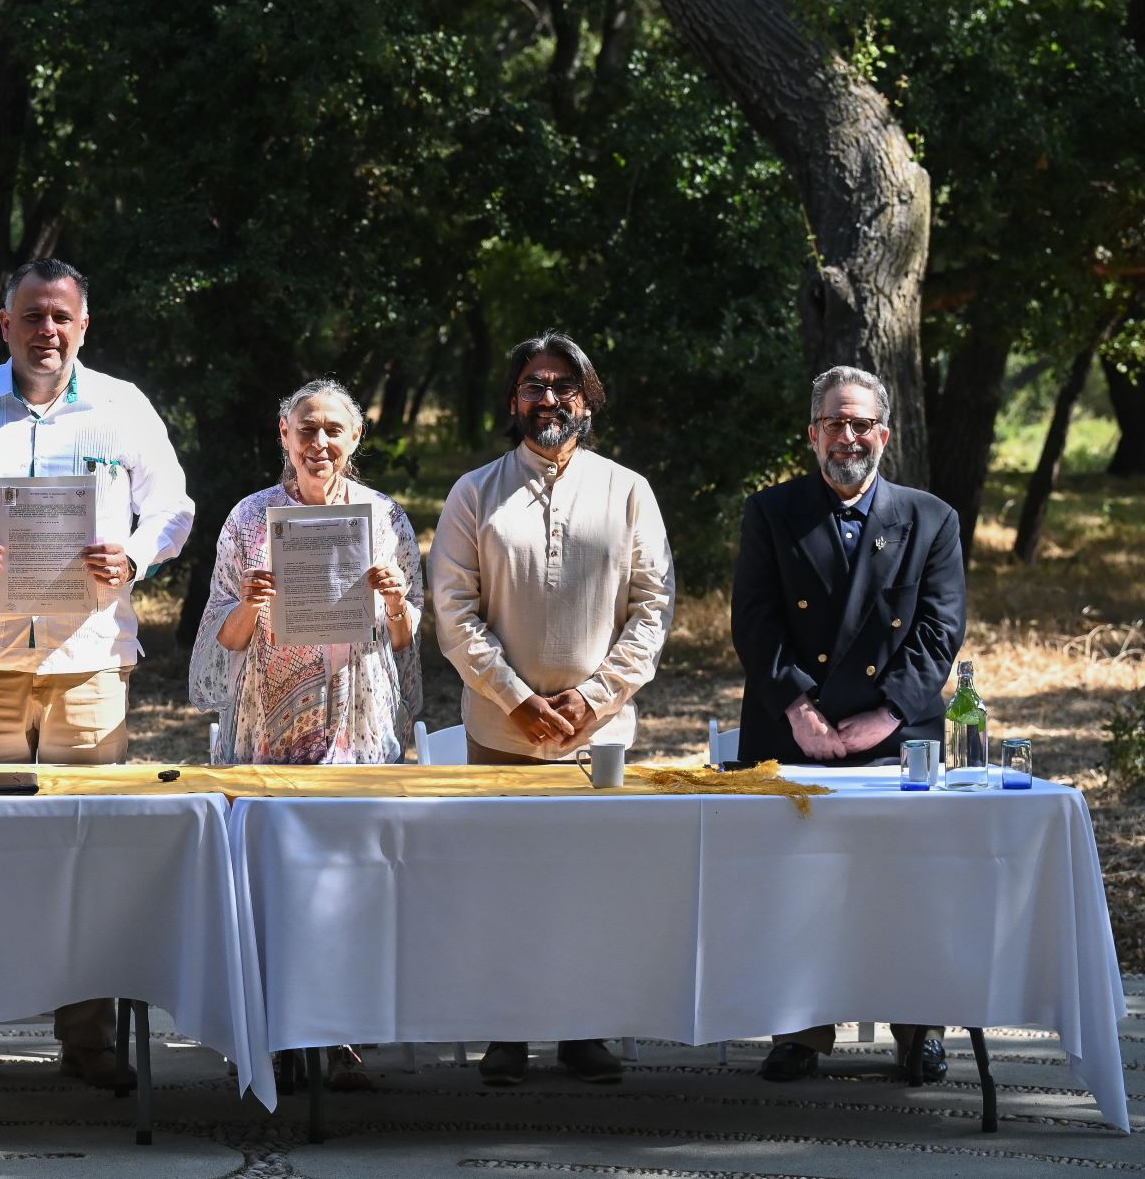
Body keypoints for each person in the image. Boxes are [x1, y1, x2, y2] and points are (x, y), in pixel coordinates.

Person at [0, 257, 194, 1092]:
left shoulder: (123, 408)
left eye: (61, 316)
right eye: (32, 315)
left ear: (84, 325)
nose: (46, 330)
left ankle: (87, 1036)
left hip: (88, 662)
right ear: (6, 323)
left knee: (86, 853)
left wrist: (131, 554)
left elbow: (172, 503)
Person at [429, 332, 675, 1088]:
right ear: (513, 402)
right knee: (505, 883)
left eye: (565, 385)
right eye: (534, 384)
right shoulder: (475, 492)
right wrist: (518, 698)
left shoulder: (627, 489)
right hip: (501, 730)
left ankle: (585, 1032)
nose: (549, 398)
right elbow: (454, 610)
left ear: (588, 400)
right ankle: (506, 1031)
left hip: (599, 739)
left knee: (590, 886)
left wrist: (593, 698)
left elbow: (653, 606)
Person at [732, 365, 965, 1085]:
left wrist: (881, 716)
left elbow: (938, 629)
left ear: (884, 435)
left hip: (897, 739)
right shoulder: (771, 513)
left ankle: (918, 1025)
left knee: (906, 886)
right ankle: (799, 1028)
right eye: (835, 422)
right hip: (789, 730)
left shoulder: (933, 518)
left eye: (861, 423)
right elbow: (756, 623)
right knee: (793, 885)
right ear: (812, 435)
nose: (848, 435)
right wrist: (801, 708)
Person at [188, 377, 421, 1092]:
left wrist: (392, 598)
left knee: (350, 876)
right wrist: (254, 603)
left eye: (333, 431)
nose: (319, 443)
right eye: (306, 429)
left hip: (353, 717)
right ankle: (268, 1032)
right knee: (269, 877)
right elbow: (222, 634)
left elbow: (408, 636)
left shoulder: (383, 517)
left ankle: (340, 1032)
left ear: (355, 440)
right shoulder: (250, 519)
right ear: (283, 435)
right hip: (269, 722)